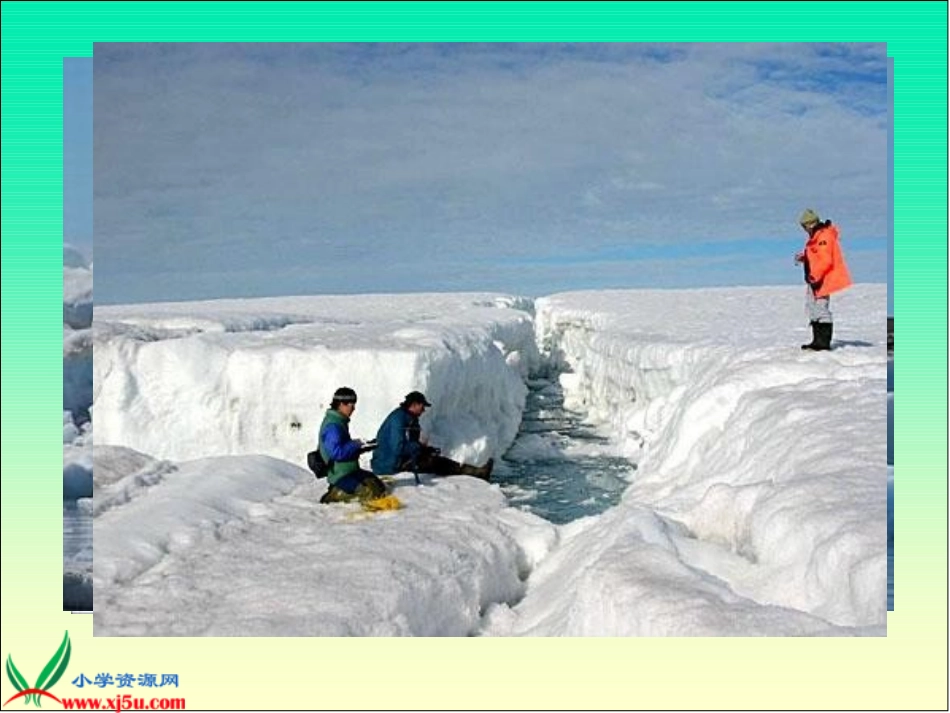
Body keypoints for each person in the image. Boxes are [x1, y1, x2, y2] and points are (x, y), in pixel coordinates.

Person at [371, 391, 494, 482]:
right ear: (413, 405)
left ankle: (474, 472)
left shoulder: (410, 419)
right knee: (435, 462)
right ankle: (477, 473)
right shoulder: (398, 420)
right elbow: (397, 448)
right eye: (422, 406)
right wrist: (418, 448)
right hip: (388, 465)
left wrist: (424, 449)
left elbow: (409, 444)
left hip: (397, 460)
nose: (424, 410)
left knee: (432, 458)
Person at [794, 208, 852, 351]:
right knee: (812, 308)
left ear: (810, 224)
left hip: (821, 279)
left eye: (804, 226)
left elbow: (825, 260)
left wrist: (816, 276)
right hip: (814, 279)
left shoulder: (823, 237)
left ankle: (823, 343)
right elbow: (816, 257)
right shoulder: (816, 237)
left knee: (821, 309)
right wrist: (804, 258)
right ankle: (816, 341)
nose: (804, 229)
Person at [318, 387, 386, 504]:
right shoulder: (333, 425)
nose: (353, 408)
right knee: (369, 494)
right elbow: (336, 453)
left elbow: (345, 448)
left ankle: (344, 490)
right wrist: (356, 444)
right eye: (351, 404)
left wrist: (363, 447)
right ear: (341, 404)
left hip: (350, 470)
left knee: (377, 486)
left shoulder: (340, 421)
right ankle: (335, 494)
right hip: (340, 475)